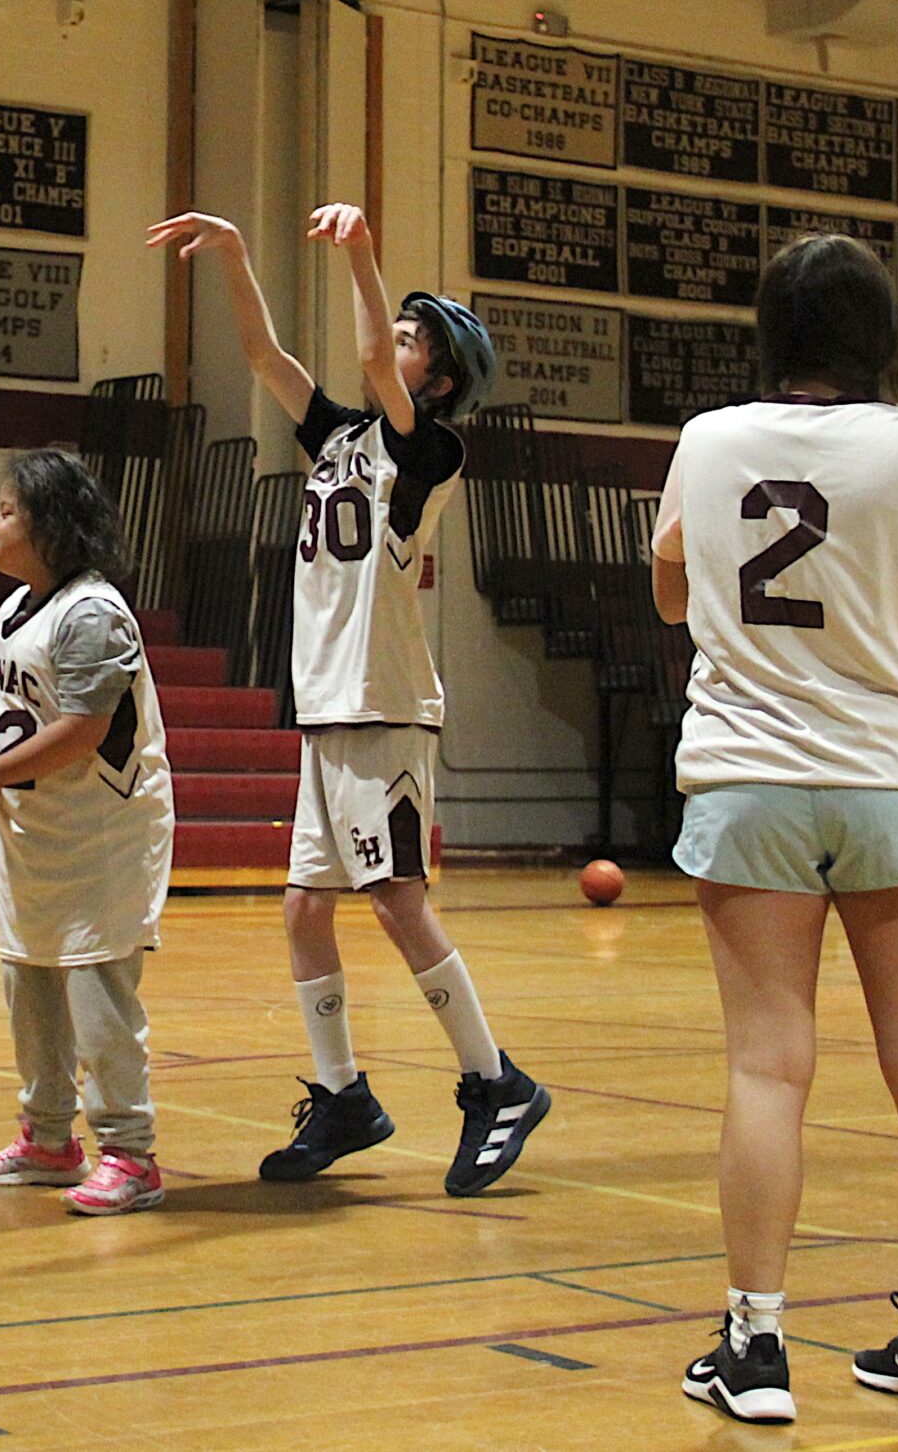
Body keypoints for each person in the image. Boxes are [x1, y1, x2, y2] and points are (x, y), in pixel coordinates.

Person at [650, 234, 898, 1424]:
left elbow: (669, 593)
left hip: (749, 776)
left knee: (768, 1065)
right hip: (897, 782)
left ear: (765, 332)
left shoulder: (707, 440)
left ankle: (755, 1347)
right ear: (883, 339)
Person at [147, 201, 550, 1198]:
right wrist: (238, 255)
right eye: (398, 331)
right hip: (329, 708)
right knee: (301, 912)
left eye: (415, 342)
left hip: (384, 704)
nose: (392, 347)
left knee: (394, 897)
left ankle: (494, 1080)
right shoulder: (338, 439)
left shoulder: (429, 451)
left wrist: (366, 254)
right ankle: (344, 1097)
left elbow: (373, 361)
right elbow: (264, 352)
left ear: (439, 378)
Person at [0, 449, 175, 1216]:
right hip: (39, 829)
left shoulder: (93, 613)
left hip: (104, 831)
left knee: (97, 992)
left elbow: (84, 728)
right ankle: (49, 1139)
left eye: (8, 510)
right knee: (31, 980)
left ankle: (130, 1154)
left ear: (49, 526)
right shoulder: (13, 608)